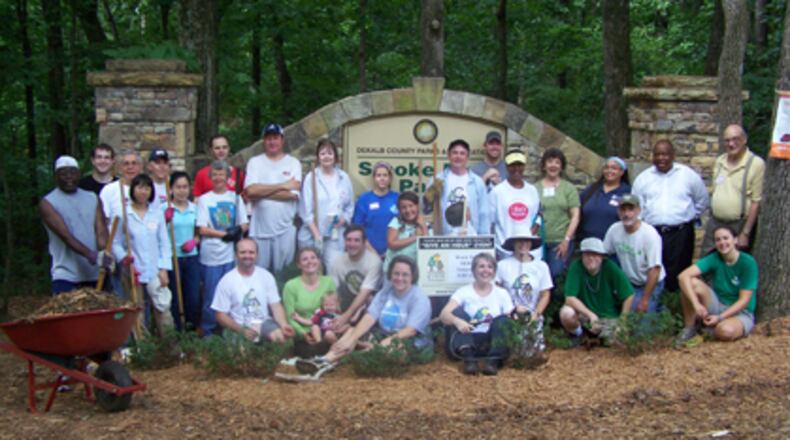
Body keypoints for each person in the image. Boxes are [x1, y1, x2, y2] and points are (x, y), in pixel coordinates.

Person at [296, 255, 433, 374]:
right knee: (351, 332)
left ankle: (351, 357)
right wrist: (353, 338)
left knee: (392, 351)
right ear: (390, 274)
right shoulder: (386, 292)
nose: (399, 278)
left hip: (410, 340)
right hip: (383, 335)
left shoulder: (419, 298)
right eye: (396, 273)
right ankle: (323, 361)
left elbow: (410, 330)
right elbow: (370, 317)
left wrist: (386, 343)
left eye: (405, 274)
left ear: (413, 276)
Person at [632, 140, 708, 292]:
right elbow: (637, 206)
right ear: (653, 156)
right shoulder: (643, 178)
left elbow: (702, 200)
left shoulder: (687, 175)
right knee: (654, 268)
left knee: (680, 273)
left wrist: (688, 216)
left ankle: (677, 301)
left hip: (681, 233)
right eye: (657, 154)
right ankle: (655, 302)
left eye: (665, 154)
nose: (661, 158)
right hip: (653, 232)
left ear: (673, 155)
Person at [112, 174, 173, 335]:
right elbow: (115, 242)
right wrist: (124, 258)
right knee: (137, 310)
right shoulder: (123, 213)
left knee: (163, 307)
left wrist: (164, 268)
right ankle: (143, 345)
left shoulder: (156, 213)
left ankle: (170, 344)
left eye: (147, 188)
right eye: (139, 187)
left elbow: (164, 242)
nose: (143, 191)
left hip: (155, 268)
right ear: (133, 190)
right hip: (134, 269)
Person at [675, 226, 758, 345]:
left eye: (726, 238)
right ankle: (689, 328)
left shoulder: (748, 262)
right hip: (718, 304)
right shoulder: (714, 258)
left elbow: (744, 301)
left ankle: (710, 330)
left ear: (735, 240)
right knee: (691, 282)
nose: (722, 243)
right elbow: (683, 276)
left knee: (725, 332)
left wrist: (720, 318)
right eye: (718, 240)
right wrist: (696, 304)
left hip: (741, 312)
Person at [40, 156, 111, 294]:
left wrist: (104, 252)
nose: (69, 177)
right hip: (66, 275)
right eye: (63, 173)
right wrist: (91, 255)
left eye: (73, 172)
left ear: (79, 174)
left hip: (96, 274)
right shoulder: (48, 203)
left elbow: (101, 230)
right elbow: (66, 236)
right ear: (56, 176)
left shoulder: (93, 198)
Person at [197, 160, 249, 336]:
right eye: (215, 174)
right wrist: (224, 234)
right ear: (210, 177)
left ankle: (229, 328)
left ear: (227, 177)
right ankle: (208, 329)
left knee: (231, 293)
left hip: (230, 255)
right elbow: (202, 228)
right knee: (211, 294)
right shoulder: (204, 200)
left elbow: (244, 223)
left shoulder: (235, 198)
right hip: (211, 255)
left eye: (222, 174)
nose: (218, 177)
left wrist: (237, 230)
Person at [441, 253, 514, 376]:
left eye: (490, 267)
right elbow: (444, 314)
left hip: (491, 342)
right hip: (469, 338)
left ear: (494, 272)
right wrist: (457, 321)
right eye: (481, 266)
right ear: (473, 270)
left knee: (503, 320)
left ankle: (492, 362)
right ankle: (469, 361)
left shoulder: (502, 293)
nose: (486, 270)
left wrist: (519, 312)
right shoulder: (463, 291)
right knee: (456, 312)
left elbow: (509, 317)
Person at [244, 123, 302, 273]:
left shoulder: (293, 163)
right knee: (259, 273)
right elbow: (250, 191)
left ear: (282, 140)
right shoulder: (255, 162)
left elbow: (292, 195)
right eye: (268, 138)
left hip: (285, 230)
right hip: (260, 230)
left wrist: (261, 191)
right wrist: (284, 185)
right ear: (264, 141)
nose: (272, 142)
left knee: (283, 274)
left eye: (275, 138)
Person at [212, 238, 295, 343]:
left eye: (251, 252)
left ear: (257, 255)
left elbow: (276, 306)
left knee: (280, 338)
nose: (247, 256)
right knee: (242, 351)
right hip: (238, 325)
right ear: (236, 255)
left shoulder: (266, 276)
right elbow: (220, 315)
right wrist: (241, 330)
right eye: (243, 252)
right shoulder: (226, 280)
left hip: (264, 323)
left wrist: (283, 325)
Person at [702, 125, 765, 253]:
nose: (731, 144)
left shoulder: (755, 163)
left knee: (734, 263)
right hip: (715, 223)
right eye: (727, 140)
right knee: (707, 261)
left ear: (744, 140)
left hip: (738, 226)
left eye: (735, 139)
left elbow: (756, 202)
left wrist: (745, 233)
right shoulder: (720, 161)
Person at [559, 238, 634, 344]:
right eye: (587, 254)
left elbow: (629, 294)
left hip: (608, 317)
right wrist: (591, 315)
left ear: (602, 257)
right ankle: (578, 336)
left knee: (619, 342)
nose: (590, 258)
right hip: (585, 315)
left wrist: (623, 322)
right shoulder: (576, 267)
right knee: (566, 313)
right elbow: (569, 298)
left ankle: (597, 339)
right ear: (582, 256)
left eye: (595, 254)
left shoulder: (610, 267)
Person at [602, 194, 666, 313]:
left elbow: (654, 270)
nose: (626, 214)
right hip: (629, 282)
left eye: (631, 209)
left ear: (638, 210)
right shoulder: (614, 230)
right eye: (623, 210)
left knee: (640, 319)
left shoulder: (650, 234)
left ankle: (660, 308)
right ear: (618, 211)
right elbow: (603, 254)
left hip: (650, 283)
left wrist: (645, 300)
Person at [495, 227, 552, 357]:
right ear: (513, 244)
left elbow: (545, 294)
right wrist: (510, 310)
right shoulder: (502, 265)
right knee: (512, 351)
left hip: (532, 315)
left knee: (531, 353)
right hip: (509, 315)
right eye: (519, 241)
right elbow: (497, 291)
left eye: (526, 241)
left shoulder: (541, 266)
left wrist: (536, 315)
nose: (523, 244)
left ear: (531, 243)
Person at [298, 139, 354, 269]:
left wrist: (343, 219)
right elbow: (305, 210)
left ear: (335, 156)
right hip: (313, 235)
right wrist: (317, 235)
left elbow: (350, 206)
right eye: (322, 153)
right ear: (318, 157)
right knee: (312, 271)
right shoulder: (311, 178)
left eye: (330, 153)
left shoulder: (343, 177)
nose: (326, 156)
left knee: (334, 270)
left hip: (335, 234)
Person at [423, 139, 490, 236]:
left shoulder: (477, 182)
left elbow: (484, 213)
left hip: (471, 237)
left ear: (467, 157)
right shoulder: (437, 180)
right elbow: (426, 211)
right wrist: (428, 199)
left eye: (462, 153)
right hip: (445, 236)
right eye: (455, 153)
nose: (458, 156)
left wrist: (484, 238)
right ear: (449, 155)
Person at [163, 171, 201, 330]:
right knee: (175, 297)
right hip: (172, 258)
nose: (182, 191)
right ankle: (178, 330)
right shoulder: (165, 208)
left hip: (191, 258)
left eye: (185, 187)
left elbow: (199, 233)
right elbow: (157, 235)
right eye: (178, 187)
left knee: (193, 297)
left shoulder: (195, 209)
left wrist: (194, 241)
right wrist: (165, 219)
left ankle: (192, 330)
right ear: (171, 189)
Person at [535, 148, 580, 278]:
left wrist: (566, 240)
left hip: (560, 240)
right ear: (544, 165)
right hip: (539, 240)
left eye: (557, 162)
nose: (553, 165)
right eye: (550, 161)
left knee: (555, 273)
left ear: (561, 167)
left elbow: (575, 216)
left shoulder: (568, 188)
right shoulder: (534, 188)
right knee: (538, 274)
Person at [327, 225, 383, 330]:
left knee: (369, 298)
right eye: (349, 240)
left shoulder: (374, 262)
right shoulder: (338, 261)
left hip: (369, 304)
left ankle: (367, 329)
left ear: (364, 242)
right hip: (347, 302)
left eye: (357, 240)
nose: (352, 244)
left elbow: (365, 293)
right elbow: (333, 290)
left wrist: (345, 317)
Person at [489, 149, 541, 260]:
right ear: (506, 167)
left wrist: (530, 235)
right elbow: (490, 222)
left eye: (520, 165)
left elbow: (538, 216)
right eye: (512, 165)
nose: (516, 169)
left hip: (528, 251)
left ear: (524, 166)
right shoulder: (497, 192)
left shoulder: (532, 190)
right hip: (504, 251)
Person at [283, 247, 338, 344]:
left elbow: (336, 308)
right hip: (304, 332)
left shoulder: (329, 282)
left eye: (313, 258)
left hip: (327, 328)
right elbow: (290, 317)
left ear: (319, 261)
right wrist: (303, 333)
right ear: (299, 265)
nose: (310, 261)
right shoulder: (290, 286)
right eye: (305, 259)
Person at [351, 162, 399, 257]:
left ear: (390, 178)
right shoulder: (364, 199)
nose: (382, 178)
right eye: (378, 175)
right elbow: (358, 229)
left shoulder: (397, 198)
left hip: (393, 253)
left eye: (385, 175)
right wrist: (373, 252)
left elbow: (403, 227)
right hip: (368, 253)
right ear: (374, 178)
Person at [578, 157, 631, 240]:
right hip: (587, 240)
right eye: (606, 168)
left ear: (622, 172)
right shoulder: (592, 189)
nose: (609, 171)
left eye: (614, 168)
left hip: (614, 242)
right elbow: (578, 209)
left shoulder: (627, 192)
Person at [383, 191, 427, 271]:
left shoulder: (425, 224)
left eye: (411, 206)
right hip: (393, 271)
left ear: (417, 206)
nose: (408, 210)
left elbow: (427, 247)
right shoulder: (396, 222)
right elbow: (392, 244)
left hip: (413, 271)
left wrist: (423, 227)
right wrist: (416, 237)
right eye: (403, 207)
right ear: (399, 210)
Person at [193, 134, 245, 200]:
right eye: (217, 148)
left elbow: (244, 199)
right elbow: (197, 200)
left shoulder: (239, 174)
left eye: (224, 147)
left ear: (229, 149)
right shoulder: (202, 174)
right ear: (211, 150)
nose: (221, 151)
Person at [99, 149, 143, 222]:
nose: (130, 167)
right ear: (120, 168)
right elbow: (102, 220)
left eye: (134, 163)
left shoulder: (147, 189)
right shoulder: (109, 190)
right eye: (126, 164)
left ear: (140, 167)